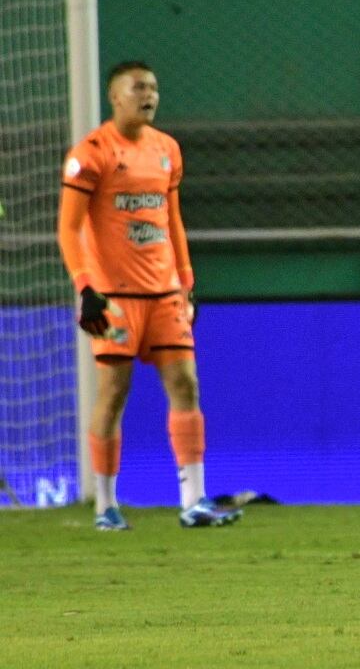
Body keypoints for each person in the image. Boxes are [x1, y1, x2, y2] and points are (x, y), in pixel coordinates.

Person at [57, 61, 242, 530]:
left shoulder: (167, 150)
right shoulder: (91, 153)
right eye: (139, 88)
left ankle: (194, 500)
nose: (149, 95)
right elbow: (69, 227)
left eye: (154, 88)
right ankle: (104, 506)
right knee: (114, 393)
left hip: (163, 294)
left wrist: (186, 282)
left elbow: (171, 219)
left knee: (186, 386)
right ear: (114, 97)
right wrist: (85, 286)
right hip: (114, 296)